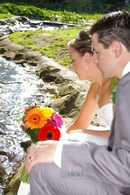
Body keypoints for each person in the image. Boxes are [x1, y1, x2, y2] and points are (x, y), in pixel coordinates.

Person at [25, 10, 130, 194]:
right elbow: (86, 128)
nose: (94, 58)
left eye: (97, 52)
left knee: (43, 168)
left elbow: (123, 163)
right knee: (62, 150)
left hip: (118, 176)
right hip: (114, 167)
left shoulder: (121, 86)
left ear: (115, 49)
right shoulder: (112, 85)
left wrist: (60, 152)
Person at [66, 29, 115, 140]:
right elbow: (79, 125)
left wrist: (82, 132)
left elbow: (123, 134)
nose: (72, 67)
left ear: (87, 57)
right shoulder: (95, 86)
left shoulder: (116, 85)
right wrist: (50, 137)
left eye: (73, 60)